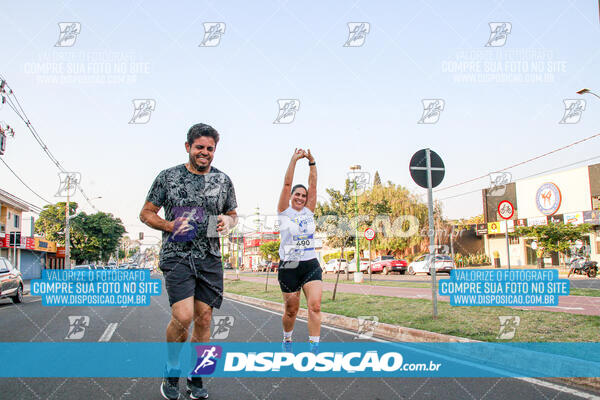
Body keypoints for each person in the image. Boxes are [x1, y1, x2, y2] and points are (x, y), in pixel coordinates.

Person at [140, 123, 238, 400]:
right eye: (199, 147)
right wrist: (170, 226)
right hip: (177, 255)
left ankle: (198, 376)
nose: (204, 152)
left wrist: (227, 221)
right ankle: (171, 370)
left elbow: (232, 213)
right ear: (188, 147)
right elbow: (146, 213)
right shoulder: (168, 177)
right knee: (183, 316)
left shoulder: (223, 180)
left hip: (210, 257)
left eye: (210, 148)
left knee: (205, 319)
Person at [277, 148, 322, 353]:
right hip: (290, 265)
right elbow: (287, 183)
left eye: (304, 195)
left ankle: (314, 347)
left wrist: (311, 162)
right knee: (291, 311)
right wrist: (294, 159)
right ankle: (287, 338)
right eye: (297, 194)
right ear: (291, 196)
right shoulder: (284, 211)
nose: (301, 197)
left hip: (310, 263)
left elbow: (313, 184)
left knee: (315, 306)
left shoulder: (309, 211)